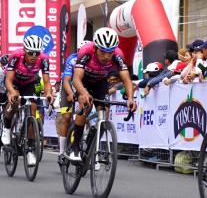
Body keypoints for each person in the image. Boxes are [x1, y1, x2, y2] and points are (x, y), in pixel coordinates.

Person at [70, 27, 135, 162]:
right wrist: (83, 93)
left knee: (104, 113)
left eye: (110, 53)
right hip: (84, 82)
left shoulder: (118, 55)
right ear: (95, 48)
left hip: (100, 82)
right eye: (103, 52)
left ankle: (91, 145)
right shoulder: (86, 51)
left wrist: (130, 99)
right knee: (85, 106)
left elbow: (126, 79)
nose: (106, 56)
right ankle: (75, 148)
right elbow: (76, 79)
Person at [1, 35, 54, 166]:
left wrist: (48, 93)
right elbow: (8, 80)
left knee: (32, 111)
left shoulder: (44, 59)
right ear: (25, 50)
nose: (34, 56)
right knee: (14, 101)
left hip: (30, 83)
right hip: (15, 82)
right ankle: (7, 128)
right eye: (31, 53)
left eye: (37, 53)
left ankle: (30, 149)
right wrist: (12, 92)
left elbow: (47, 82)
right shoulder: (16, 56)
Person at [57, 40, 90, 164]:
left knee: (84, 113)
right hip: (69, 87)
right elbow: (66, 80)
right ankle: (61, 152)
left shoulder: (91, 60)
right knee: (66, 116)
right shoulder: (72, 60)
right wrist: (70, 94)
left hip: (82, 87)